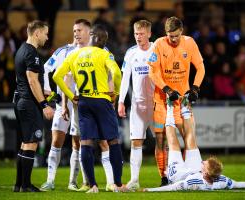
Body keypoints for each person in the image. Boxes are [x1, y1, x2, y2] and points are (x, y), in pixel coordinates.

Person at [40, 19, 115, 192]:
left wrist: (111, 97)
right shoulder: (64, 52)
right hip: (65, 103)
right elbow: (49, 70)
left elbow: (111, 74)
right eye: (74, 30)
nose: (76, 33)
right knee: (58, 141)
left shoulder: (100, 51)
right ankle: (52, 180)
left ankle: (81, 182)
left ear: (89, 32)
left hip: (87, 103)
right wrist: (47, 90)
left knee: (84, 143)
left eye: (80, 30)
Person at [53, 24, 126, 193]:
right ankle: (118, 184)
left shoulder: (74, 54)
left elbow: (57, 76)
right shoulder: (105, 54)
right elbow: (116, 74)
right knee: (112, 141)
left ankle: (92, 185)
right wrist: (115, 92)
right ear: (103, 40)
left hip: (83, 102)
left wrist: (71, 97)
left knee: (85, 143)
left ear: (92, 37)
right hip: (102, 100)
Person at [144, 101, 245, 191]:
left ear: (205, 173)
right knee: (191, 141)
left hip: (179, 175)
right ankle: (185, 107)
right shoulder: (220, 180)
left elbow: (174, 187)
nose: (204, 161)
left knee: (173, 143)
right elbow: (238, 184)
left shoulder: (194, 182)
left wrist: (149, 190)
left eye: (205, 164)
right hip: (195, 169)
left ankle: (170, 107)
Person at [148, 16, 205, 186]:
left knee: (188, 137)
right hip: (162, 100)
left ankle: (189, 174)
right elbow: (153, 72)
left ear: (182, 32)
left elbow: (201, 67)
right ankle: (164, 177)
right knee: (161, 140)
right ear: (166, 33)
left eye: (176, 36)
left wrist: (195, 87)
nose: (173, 39)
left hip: (182, 101)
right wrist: (166, 89)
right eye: (170, 36)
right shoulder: (158, 44)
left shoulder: (190, 43)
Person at [13, 20, 54, 192]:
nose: (47, 37)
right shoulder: (32, 53)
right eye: (45, 33)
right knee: (32, 143)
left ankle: (19, 184)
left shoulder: (22, 49)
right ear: (36, 33)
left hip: (22, 101)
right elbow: (32, 81)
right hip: (29, 104)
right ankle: (27, 185)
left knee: (25, 143)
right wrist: (44, 104)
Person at [117, 20, 154, 191]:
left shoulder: (157, 50)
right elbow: (125, 79)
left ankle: (166, 176)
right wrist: (121, 101)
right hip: (138, 106)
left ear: (149, 34)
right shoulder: (131, 53)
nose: (138, 37)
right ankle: (134, 180)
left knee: (162, 141)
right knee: (135, 142)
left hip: (156, 104)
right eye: (136, 34)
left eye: (141, 33)